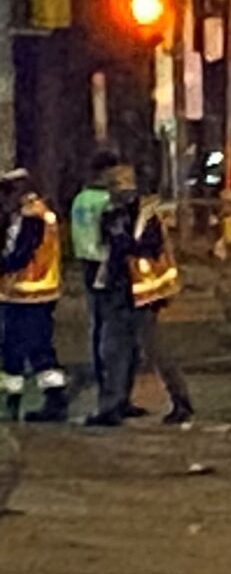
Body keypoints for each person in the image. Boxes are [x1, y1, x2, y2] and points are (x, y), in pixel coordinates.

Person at [87, 167, 192, 428]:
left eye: (115, 187)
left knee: (155, 350)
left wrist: (125, 242)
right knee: (114, 350)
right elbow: (108, 248)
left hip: (143, 294)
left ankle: (181, 402)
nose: (111, 193)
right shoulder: (112, 215)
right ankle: (113, 405)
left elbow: (150, 248)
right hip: (119, 291)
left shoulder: (146, 217)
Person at [0, 171, 70, 420]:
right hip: (24, 293)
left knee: (31, 347)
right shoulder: (32, 214)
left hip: (31, 293)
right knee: (17, 347)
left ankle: (53, 400)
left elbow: (20, 254)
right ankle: (18, 399)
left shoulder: (33, 217)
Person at [68, 149, 118, 404]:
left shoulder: (80, 199)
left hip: (86, 262)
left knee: (97, 324)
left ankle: (104, 381)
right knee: (109, 327)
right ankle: (109, 386)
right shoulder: (104, 201)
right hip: (104, 264)